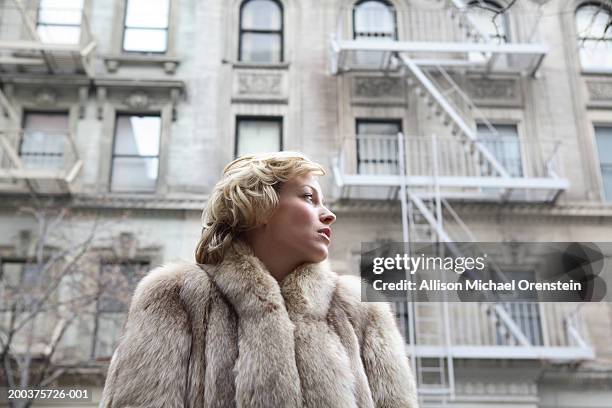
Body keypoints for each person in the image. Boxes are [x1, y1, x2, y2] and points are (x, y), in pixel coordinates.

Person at [100, 151, 419, 407]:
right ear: (258, 207)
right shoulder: (174, 297)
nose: (328, 214)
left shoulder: (360, 309)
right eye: (309, 197)